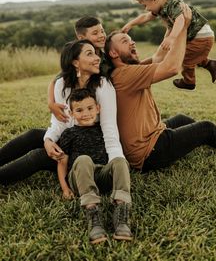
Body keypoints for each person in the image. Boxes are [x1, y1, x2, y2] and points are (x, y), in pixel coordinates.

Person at [104, 23, 216, 173]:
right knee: (206, 128)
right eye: (124, 41)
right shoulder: (125, 74)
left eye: (131, 39)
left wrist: (172, 27)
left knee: (182, 119)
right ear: (113, 53)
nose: (132, 42)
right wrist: (183, 29)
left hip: (150, 137)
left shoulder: (126, 71)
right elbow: (172, 68)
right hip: (149, 153)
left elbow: (159, 56)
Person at [0, 40, 125, 191]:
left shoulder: (103, 85)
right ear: (75, 63)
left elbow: (110, 128)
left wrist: (114, 165)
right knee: (34, 135)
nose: (97, 57)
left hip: (89, 148)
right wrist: (48, 140)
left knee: (39, 156)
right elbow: (61, 121)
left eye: (95, 53)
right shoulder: (62, 84)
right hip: (72, 137)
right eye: (89, 53)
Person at [122, 0, 216, 91]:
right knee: (188, 56)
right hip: (197, 36)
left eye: (145, 5)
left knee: (183, 59)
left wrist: (171, 38)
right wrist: (130, 24)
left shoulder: (172, 4)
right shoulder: (161, 7)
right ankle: (212, 65)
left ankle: (189, 82)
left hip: (200, 37)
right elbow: (145, 17)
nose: (146, 9)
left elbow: (180, 20)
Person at [57, 88, 132, 244]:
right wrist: (65, 188)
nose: (86, 113)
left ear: (98, 108)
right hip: (80, 177)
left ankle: (122, 214)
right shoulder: (69, 134)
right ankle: (93, 213)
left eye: (90, 108)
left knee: (119, 160)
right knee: (84, 159)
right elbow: (62, 162)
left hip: (102, 175)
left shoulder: (104, 130)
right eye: (79, 110)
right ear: (71, 113)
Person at [48, 16, 111, 123]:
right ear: (81, 38)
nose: (101, 36)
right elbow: (57, 80)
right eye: (95, 33)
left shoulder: (108, 58)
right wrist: (51, 103)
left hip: (103, 111)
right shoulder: (77, 60)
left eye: (102, 31)